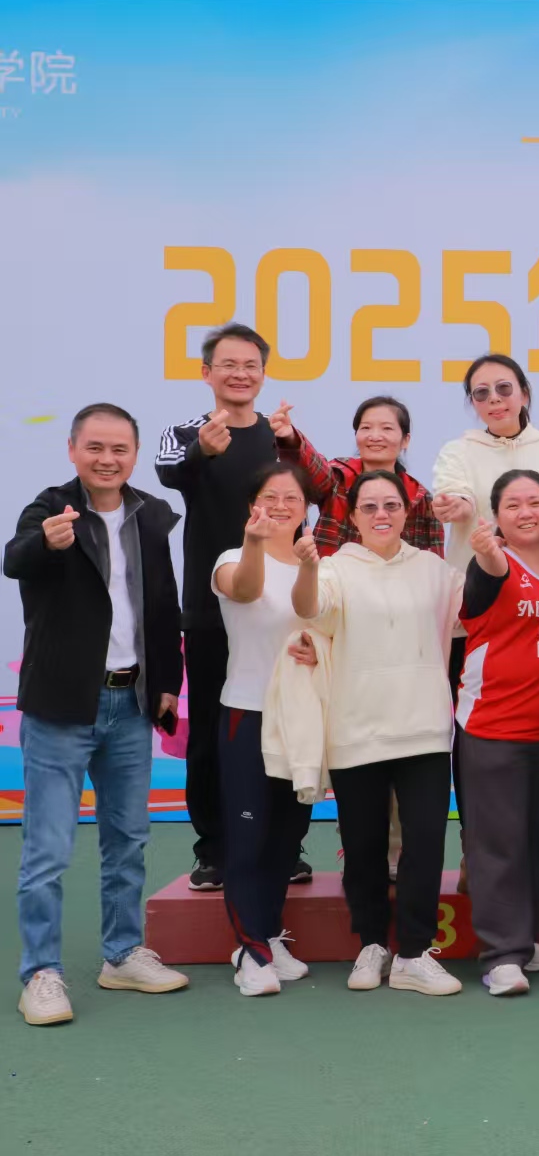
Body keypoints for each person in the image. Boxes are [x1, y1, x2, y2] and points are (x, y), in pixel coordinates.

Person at [8, 404, 190, 1025]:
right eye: (95, 447)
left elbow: (162, 605)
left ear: (134, 455)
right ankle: (41, 974)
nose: (107, 459)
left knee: (128, 840)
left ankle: (123, 955)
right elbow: (15, 559)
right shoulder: (51, 508)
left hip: (131, 702)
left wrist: (167, 683)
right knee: (48, 850)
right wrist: (46, 543)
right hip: (62, 706)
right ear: (72, 449)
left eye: (119, 449)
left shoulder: (151, 514)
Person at [292, 470, 465, 997]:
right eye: (369, 507)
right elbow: (310, 610)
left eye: (391, 505)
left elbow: (474, 612)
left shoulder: (434, 570)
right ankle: (371, 943)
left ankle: (413, 953)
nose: (381, 515)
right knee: (363, 845)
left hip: (425, 729)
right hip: (356, 727)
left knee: (425, 843)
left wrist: (474, 530)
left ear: (408, 512)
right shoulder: (334, 568)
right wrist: (307, 566)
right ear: (352, 516)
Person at [155, 323, 283, 891]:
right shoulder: (186, 433)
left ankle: (282, 845)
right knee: (209, 729)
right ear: (206, 372)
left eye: (251, 364)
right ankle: (212, 848)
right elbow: (168, 473)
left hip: (277, 608)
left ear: (263, 374)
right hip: (210, 609)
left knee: (278, 726)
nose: (240, 374)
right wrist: (202, 452)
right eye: (228, 364)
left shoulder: (280, 435)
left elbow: (305, 494)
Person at [455, 470, 539, 999]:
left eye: (535, 502)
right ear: (497, 516)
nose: (525, 512)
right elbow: (488, 575)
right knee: (497, 845)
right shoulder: (492, 562)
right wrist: (487, 552)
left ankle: (523, 939)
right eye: (513, 505)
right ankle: (501, 955)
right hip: (494, 729)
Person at [214, 463, 318, 997]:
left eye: (291, 498)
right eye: (269, 496)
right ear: (252, 504)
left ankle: (270, 935)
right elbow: (247, 591)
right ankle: (249, 950)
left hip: (301, 719)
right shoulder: (232, 559)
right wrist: (255, 543)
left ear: (306, 508)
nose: (280, 506)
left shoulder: (317, 565)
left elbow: (327, 627)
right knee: (249, 839)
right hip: (247, 712)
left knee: (286, 837)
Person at [432, 352, 539, 673]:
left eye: (504, 388)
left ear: (524, 394)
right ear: (473, 403)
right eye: (481, 393)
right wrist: (457, 506)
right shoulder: (458, 451)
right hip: (480, 601)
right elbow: (459, 496)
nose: (494, 399)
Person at [276, 394, 443, 557]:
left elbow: (434, 565)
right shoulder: (338, 477)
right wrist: (290, 438)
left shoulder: (420, 498)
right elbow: (313, 468)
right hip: (332, 575)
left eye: (387, 428)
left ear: (405, 440)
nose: (375, 436)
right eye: (366, 428)